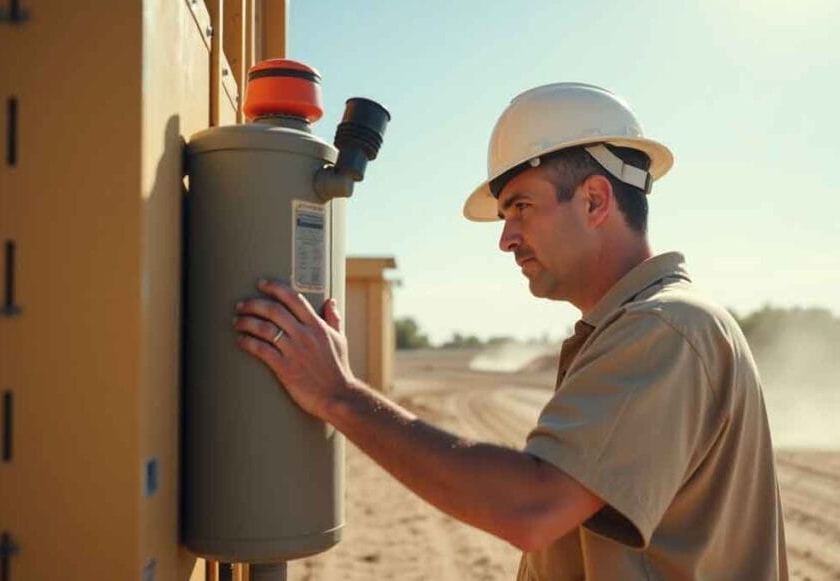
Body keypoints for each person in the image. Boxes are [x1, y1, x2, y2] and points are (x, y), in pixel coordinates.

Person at [233, 83, 788, 580]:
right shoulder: (643, 324)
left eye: (522, 207)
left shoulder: (663, 327)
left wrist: (339, 394)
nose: (507, 239)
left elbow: (533, 507)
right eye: (504, 216)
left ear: (595, 199)